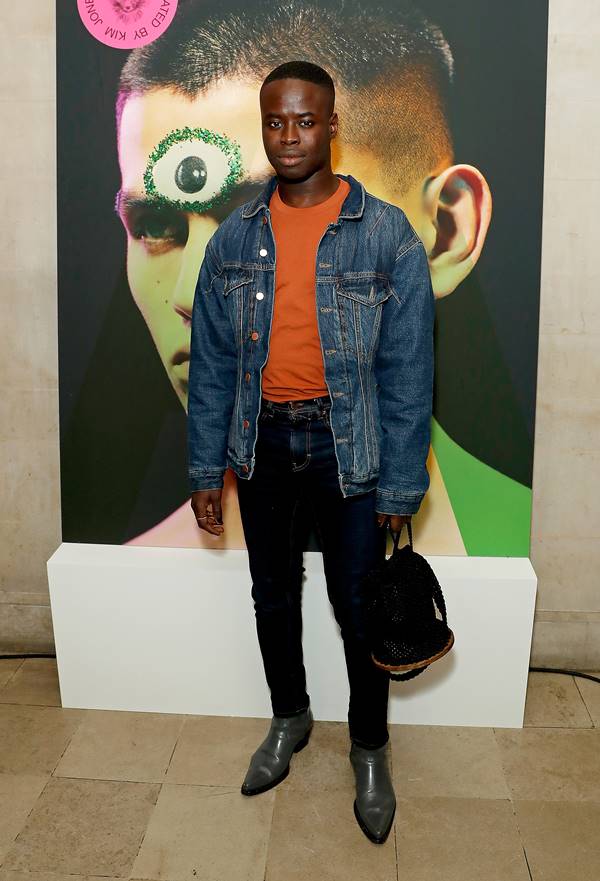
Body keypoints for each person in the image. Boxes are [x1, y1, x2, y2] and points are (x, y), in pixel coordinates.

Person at [114, 0, 502, 555]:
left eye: (271, 210)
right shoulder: (132, 588)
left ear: (444, 233)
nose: (188, 296)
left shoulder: (517, 540)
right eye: (154, 225)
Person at [187, 59, 435, 845]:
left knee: (357, 605)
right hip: (260, 441)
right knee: (271, 593)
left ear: (333, 125)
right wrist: (204, 468)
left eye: (304, 120)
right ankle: (289, 718)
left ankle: (369, 749)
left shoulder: (386, 232)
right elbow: (217, 367)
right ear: (263, 128)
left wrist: (399, 478)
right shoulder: (234, 236)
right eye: (275, 121)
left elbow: (408, 371)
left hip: (348, 444)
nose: (288, 135)